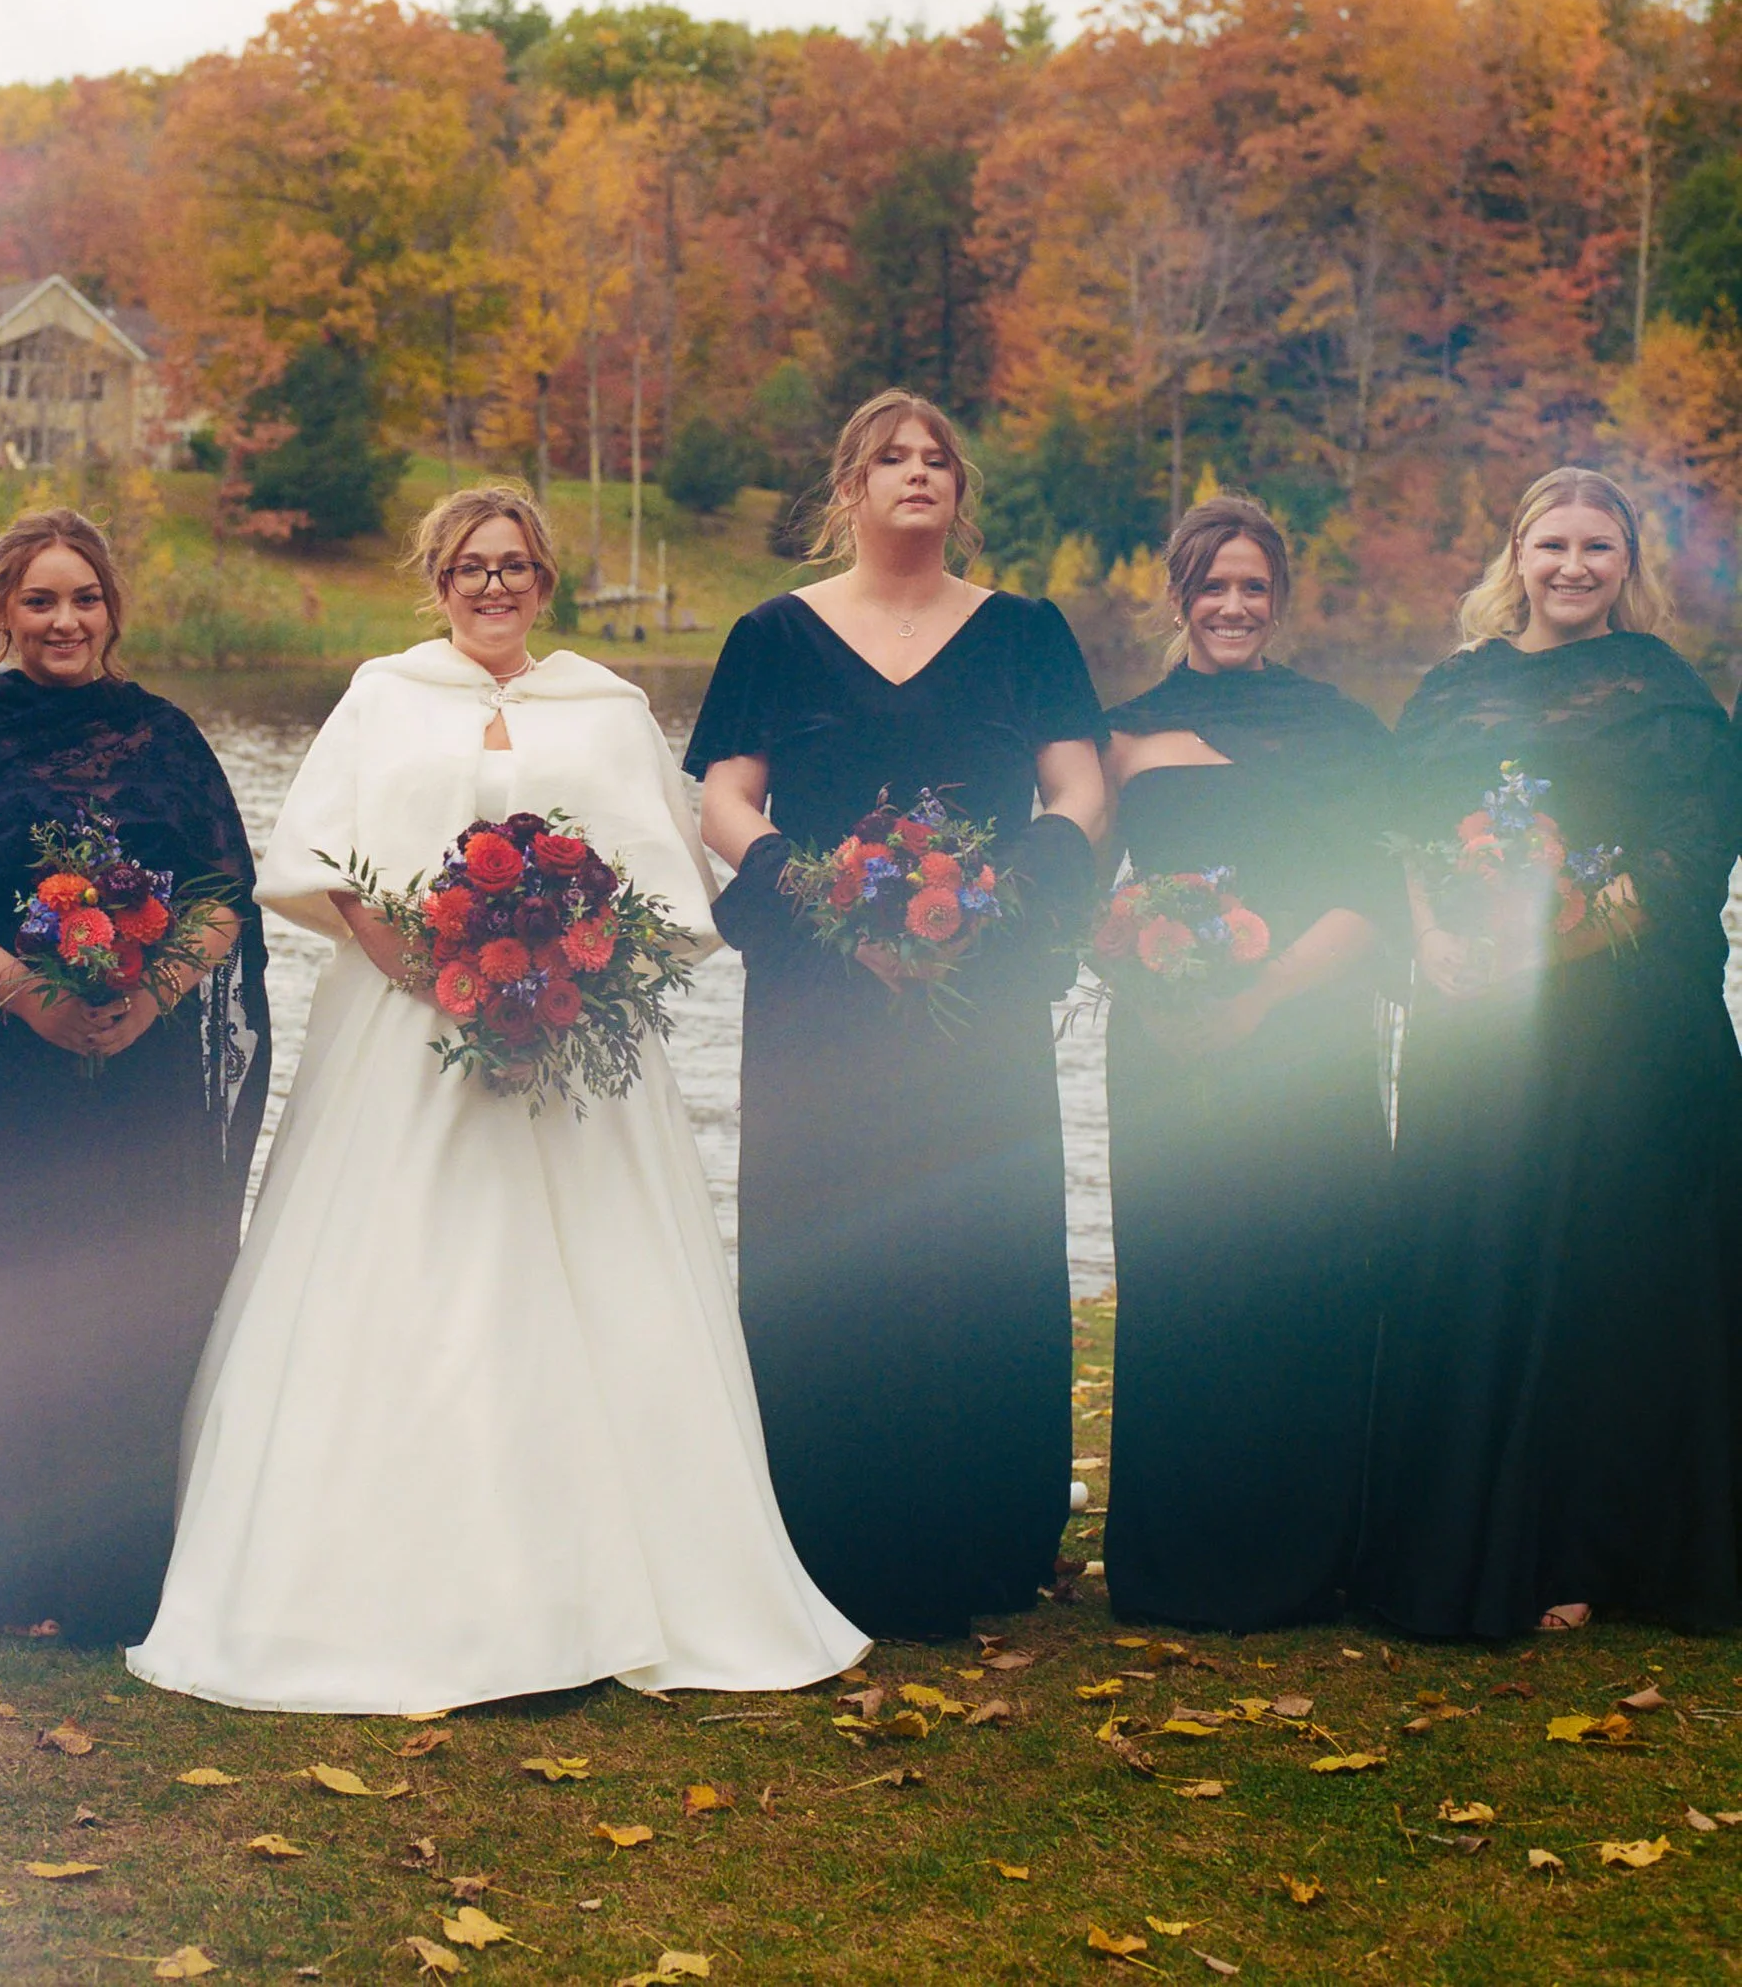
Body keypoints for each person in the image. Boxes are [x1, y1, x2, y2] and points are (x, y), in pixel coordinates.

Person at [129, 484, 863, 1714]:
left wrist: (564, 978)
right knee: (402, 1285)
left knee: (592, 1295)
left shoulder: (606, 707)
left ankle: (619, 1590)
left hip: (569, 1057)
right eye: (471, 566)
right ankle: (387, 1594)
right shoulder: (382, 696)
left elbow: (659, 883)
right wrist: (432, 972)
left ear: (546, 581)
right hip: (405, 1034)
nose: (493, 586)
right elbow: (325, 864)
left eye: (516, 565)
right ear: (437, 578)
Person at [688, 390, 1106, 1639]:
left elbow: (1078, 790)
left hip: (974, 991)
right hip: (822, 992)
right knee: (830, 1238)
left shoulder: (1026, 631)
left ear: (957, 493)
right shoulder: (773, 633)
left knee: (972, 1236)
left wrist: (1002, 899)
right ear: (850, 488)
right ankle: (819, 1533)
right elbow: (723, 800)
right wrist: (825, 902)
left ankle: (978, 1538)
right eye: (889, 458)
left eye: (935, 459)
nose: (915, 474)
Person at [1358, 467, 1742, 1639]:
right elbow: (1401, 835)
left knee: (1603, 1275)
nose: (1573, 567)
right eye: (1551, 544)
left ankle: (1595, 1548)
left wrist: (1565, 934)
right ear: (1513, 555)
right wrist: (1434, 943)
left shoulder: (1667, 694)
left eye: (1598, 547)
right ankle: (1481, 1531)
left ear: (1629, 566)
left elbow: (1693, 849)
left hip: (1621, 1031)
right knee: (1482, 1256)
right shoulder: (1450, 687)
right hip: (1477, 1022)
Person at [0, 510, 268, 1638]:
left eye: (84, 598)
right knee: (1, 1309)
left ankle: (117, 1581)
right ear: (2, 612)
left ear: (112, 609)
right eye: (40, 600)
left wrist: (144, 999)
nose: (64, 620)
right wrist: (28, 994)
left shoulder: (163, 735)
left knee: (121, 1309)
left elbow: (222, 896)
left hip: (133, 1071)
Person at [1097, 496, 1398, 1631]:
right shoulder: (1119, 733)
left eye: (1253, 587)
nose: (1232, 605)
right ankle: (1177, 1563)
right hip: (1168, 1047)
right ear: (1177, 597)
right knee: (1186, 1284)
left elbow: (1375, 892)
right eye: (1211, 586)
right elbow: (1087, 891)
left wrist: (1264, 999)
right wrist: (1142, 980)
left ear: (1279, 601)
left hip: (1308, 1033)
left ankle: (1312, 1555)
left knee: (1309, 1280)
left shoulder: (1343, 729)